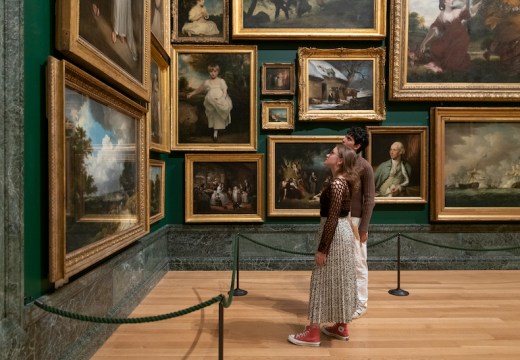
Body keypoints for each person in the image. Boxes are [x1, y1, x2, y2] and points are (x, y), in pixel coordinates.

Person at [288, 144, 360, 347]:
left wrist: (322, 249)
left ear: (339, 161)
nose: (328, 154)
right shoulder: (342, 181)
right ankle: (340, 326)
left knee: (320, 281)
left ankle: (312, 333)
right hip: (341, 234)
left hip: (334, 235)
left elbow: (332, 219)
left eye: (333, 153)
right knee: (340, 279)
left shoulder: (337, 183)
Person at [342, 126, 375, 319]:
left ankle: (361, 304)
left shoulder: (365, 167)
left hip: (355, 220)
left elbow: (369, 199)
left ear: (357, 145)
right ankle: (346, 300)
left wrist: (363, 228)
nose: (343, 140)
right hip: (339, 218)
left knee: (358, 263)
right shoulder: (341, 162)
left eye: (348, 138)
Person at [419, 0, 482, 73]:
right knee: (435, 47)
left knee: (453, 63)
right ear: (443, 2)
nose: (451, 0)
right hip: (448, 38)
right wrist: (424, 42)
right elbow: (434, 29)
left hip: (460, 37)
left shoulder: (457, 11)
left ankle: (447, 66)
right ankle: (441, 66)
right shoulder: (441, 15)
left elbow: (470, 12)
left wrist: (479, 4)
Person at [187, 64, 232, 142]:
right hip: (210, 101)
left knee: (219, 115)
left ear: (218, 72)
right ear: (209, 72)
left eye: (215, 71)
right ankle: (214, 131)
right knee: (213, 115)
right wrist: (191, 93)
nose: (213, 73)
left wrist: (221, 99)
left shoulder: (221, 81)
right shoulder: (207, 82)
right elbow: (199, 89)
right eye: (211, 71)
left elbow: (225, 91)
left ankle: (216, 132)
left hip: (219, 100)